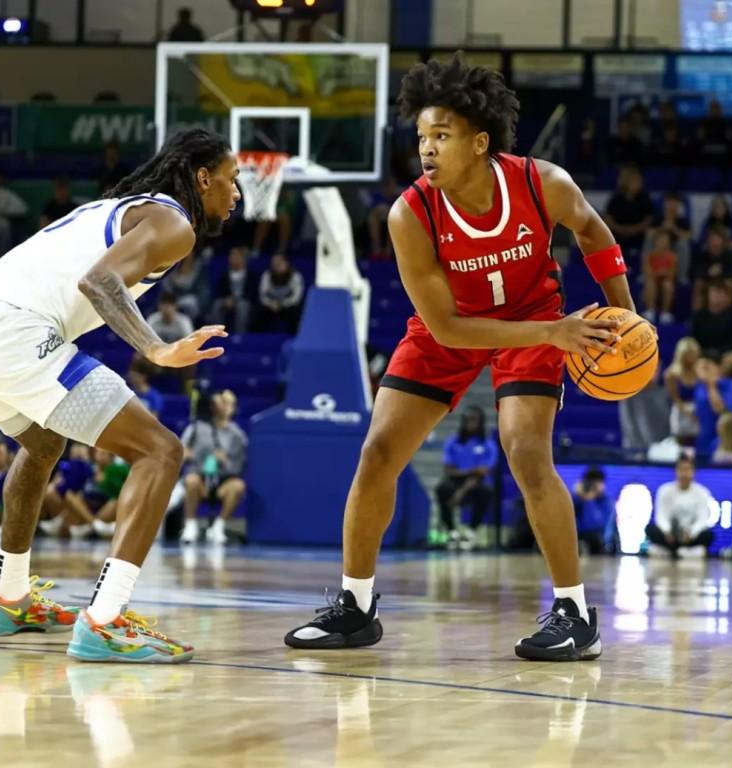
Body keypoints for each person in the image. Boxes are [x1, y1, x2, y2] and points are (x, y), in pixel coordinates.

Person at [285, 54, 638, 661]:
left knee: (527, 453)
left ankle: (576, 614)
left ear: (479, 142)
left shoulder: (542, 183)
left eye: (442, 136)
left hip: (532, 314)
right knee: (378, 452)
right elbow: (447, 327)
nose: (427, 148)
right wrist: (552, 333)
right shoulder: (410, 214)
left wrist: (625, 317)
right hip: (453, 327)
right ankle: (356, 607)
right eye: (422, 136)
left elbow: (592, 231)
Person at [0, 127, 239, 663]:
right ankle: (104, 621)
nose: (237, 193)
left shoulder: (124, 208)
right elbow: (100, 282)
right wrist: (156, 348)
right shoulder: (174, 223)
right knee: (161, 451)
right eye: (231, 179)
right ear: (202, 178)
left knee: (44, 444)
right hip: (10, 330)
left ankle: (10, 597)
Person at [178, 390, 248, 545]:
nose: (225, 407)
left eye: (229, 404)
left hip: (223, 481)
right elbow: (180, 454)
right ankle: (190, 526)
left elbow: (238, 466)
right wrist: (189, 455)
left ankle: (218, 527)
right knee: (191, 480)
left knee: (238, 486)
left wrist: (224, 461)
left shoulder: (237, 434)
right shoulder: (196, 428)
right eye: (222, 403)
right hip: (201, 479)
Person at [434, 406, 498, 550]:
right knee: (441, 489)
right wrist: (471, 471)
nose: (470, 423)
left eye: (474, 420)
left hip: (477, 483)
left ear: (481, 422)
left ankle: (470, 532)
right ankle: (452, 532)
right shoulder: (452, 442)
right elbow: (449, 469)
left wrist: (461, 491)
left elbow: (483, 471)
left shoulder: (488, 444)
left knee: (486, 492)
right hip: (455, 481)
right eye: (467, 419)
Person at [647, 456, 715, 559]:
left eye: (687, 470)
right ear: (676, 471)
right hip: (670, 536)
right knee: (650, 530)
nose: (684, 473)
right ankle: (678, 551)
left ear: (693, 472)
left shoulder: (702, 492)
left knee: (708, 535)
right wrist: (667, 531)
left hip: (690, 537)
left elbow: (702, 519)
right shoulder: (664, 490)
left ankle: (675, 551)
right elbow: (661, 516)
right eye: (681, 469)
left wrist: (692, 533)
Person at [690, 282, 732, 375]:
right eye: (714, 293)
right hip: (702, 352)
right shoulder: (699, 315)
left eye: (720, 293)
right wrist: (703, 352)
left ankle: (716, 379)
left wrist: (719, 352)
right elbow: (692, 338)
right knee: (689, 353)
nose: (717, 296)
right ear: (708, 295)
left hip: (724, 353)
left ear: (725, 297)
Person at [603, 166, 654, 260]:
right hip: (617, 233)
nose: (638, 183)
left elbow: (648, 220)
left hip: (638, 234)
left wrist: (632, 230)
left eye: (639, 180)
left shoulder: (645, 198)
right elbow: (608, 220)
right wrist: (622, 230)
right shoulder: (616, 199)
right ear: (626, 181)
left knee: (649, 235)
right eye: (634, 181)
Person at [694, 354, 732, 457]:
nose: (703, 371)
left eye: (706, 367)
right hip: (702, 440)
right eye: (701, 368)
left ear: (717, 367)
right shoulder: (699, 386)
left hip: (723, 440)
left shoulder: (729, 384)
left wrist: (711, 385)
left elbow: (722, 411)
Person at [664, 337, 701, 447]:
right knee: (680, 444)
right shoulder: (671, 374)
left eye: (694, 354)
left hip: (698, 411)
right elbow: (674, 398)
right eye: (689, 354)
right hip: (680, 411)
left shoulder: (700, 371)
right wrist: (687, 412)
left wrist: (698, 413)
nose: (692, 357)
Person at [690, 228, 732, 312]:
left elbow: (730, 274)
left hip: (722, 281)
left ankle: (727, 314)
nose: (715, 243)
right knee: (698, 283)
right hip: (707, 281)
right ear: (708, 242)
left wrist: (719, 272)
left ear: (722, 242)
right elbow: (698, 273)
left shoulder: (729, 256)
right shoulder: (703, 255)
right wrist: (709, 272)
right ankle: (696, 314)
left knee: (730, 284)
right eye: (712, 240)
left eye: (717, 240)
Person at [210, 246, 255, 334]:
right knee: (217, 305)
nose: (233, 258)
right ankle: (216, 334)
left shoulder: (251, 275)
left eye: (236, 256)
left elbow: (252, 293)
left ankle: (239, 335)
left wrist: (236, 300)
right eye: (232, 256)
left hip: (243, 301)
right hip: (227, 300)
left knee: (242, 306)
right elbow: (219, 291)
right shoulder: (224, 275)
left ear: (243, 258)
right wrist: (226, 299)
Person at [257, 252, 305, 334]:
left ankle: (296, 336)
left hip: (288, 305)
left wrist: (282, 304)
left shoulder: (295, 276)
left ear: (286, 263)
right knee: (258, 311)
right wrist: (270, 304)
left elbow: (296, 298)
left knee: (295, 312)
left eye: (279, 264)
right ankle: (256, 337)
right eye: (274, 264)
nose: (276, 266)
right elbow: (262, 296)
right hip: (270, 306)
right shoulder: (267, 275)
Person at [647, 191, 692, 277]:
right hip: (658, 246)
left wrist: (673, 228)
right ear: (665, 204)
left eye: (675, 203)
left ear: (678, 205)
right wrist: (662, 228)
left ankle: (682, 276)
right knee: (648, 241)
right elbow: (649, 234)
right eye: (669, 203)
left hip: (675, 247)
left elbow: (688, 236)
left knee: (683, 244)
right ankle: (646, 274)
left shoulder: (683, 221)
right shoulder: (658, 218)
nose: (672, 206)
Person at [572, 467, 615, 555]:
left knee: (594, 538)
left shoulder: (606, 502)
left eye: (597, 482)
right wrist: (576, 494)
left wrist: (589, 499)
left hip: (597, 542)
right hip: (576, 538)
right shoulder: (576, 499)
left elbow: (595, 525)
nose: (593, 486)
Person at [162, 250, 212, 324]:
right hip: (174, 299)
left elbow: (203, 293)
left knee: (190, 302)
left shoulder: (199, 270)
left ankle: (188, 324)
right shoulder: (173, 269)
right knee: (167, 304)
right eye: (184, 255)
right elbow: (167, 291)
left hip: (192, 301)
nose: (186, 257)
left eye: (189, 254)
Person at [641, 230, 677, 324]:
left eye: (665, 241)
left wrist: (661, 273)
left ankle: (665, 313)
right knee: (650, 283)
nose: (662, 244)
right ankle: (650, 311)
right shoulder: (649, 256)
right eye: (660, 241)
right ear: (655, 242)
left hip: (665, 281)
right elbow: (648, 273)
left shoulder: (673, 257)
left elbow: (671, 275)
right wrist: (660, 273)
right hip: (652, 281)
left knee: (668, 285)